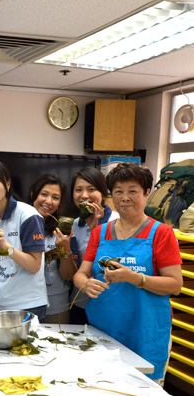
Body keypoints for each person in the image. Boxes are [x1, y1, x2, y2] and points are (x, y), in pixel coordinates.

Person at [73, 163, 182, 382]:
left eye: (133, 191)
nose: (125, 198)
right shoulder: (100, 232)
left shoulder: (161, 233)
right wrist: (85, 284)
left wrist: (134, 278)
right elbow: (81, 273)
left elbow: (175, 284)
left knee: (143, 393)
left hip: (146, 332)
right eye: (118, 191)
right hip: (104, 329)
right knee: (102, 388)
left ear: (147, 193)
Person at [0, 159, 47, 321]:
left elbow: (34, 265)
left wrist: (6, 247)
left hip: (28, 304)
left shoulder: (28, 215)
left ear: (8, 184)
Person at [69, 168, 119, 325]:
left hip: (110, 304)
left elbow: (115, 261)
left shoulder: (116, 221)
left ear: (103, 194)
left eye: (91, 189)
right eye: (78, 190)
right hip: (80, 302)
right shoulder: (75, 224)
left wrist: (95, 231)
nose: (84, 195)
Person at [29, 174, 76, 324]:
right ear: (33, 194)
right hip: (24, 301)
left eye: (55, 197)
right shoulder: (20, 224)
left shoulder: (64, 229)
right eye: (44, 194)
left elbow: (69, 276)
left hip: (57, 303)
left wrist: (65, 250)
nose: (49, 201)